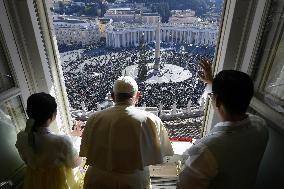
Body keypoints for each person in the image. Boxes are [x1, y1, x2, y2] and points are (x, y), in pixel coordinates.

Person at [177, 59, 269, 189]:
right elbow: (236, 94)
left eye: (212, 96)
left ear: (218, 100)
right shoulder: (261, 126)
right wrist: (213, 83)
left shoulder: (205, 152)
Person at [80, 76, 174, 189]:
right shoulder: (151, 120)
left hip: (97, 179)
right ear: (137, 96)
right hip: (133, 182)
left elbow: (86, 151)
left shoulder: (94, 118)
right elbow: (160, 155)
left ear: (112, 96)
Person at [15, 92, 82, 189]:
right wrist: (81, 145)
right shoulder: (62, 142)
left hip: (33, 182)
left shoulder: (21, 136)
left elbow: (47, 145)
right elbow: (74, 163)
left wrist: (71, 136)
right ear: (52, 116)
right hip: (56, 184)